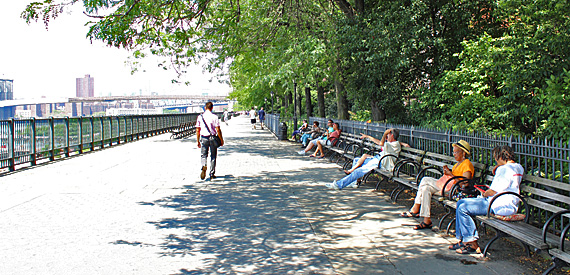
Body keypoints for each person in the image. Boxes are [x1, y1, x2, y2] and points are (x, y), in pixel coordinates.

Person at [449, 145, 523, 254]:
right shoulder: (518, 167)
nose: (495, 160)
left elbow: (493, 191)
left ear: (500, 156)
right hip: (505, 202)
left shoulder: (504, 169)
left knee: (463, 207)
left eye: (495, 158)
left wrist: (484, 193)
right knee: (460, 202)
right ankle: (464, 240)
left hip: (497, 204)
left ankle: (472, 243)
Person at [402, 140, 475, 230]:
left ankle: (415, 208)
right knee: (425, 189)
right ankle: (426, 220)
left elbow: (465, 183)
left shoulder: (467, 164)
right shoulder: (457, 164)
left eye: (456, 152)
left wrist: (450, 174)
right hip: (446, 187)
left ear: (463, 153)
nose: (454, 154)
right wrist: (447, 173)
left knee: (425, 179)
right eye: (453, 152)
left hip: (452, 191)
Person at [326, 129, 402, 190]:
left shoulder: (395, 144)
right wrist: (368, 136)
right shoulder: (391, 143)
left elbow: (381, 143)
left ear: (392, 135)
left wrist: (385, 133)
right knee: (356, 160)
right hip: (378, 158)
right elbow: (379, 142)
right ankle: (354, 182)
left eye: (388, 135)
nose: (386, 137)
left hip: (381, 162)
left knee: (358, 171)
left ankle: (339, 184)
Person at [196, 102, 224, 180]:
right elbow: (218, 129)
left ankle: (203, 165)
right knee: (213, 156)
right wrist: (221, 140)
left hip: (204, 138)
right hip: (212, 138)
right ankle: (212, 173)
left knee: (203, 155)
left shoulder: (200, 117)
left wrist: (198, 141)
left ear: (205, 107)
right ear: (212, 108)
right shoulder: (214, 117)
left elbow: (198, 130)